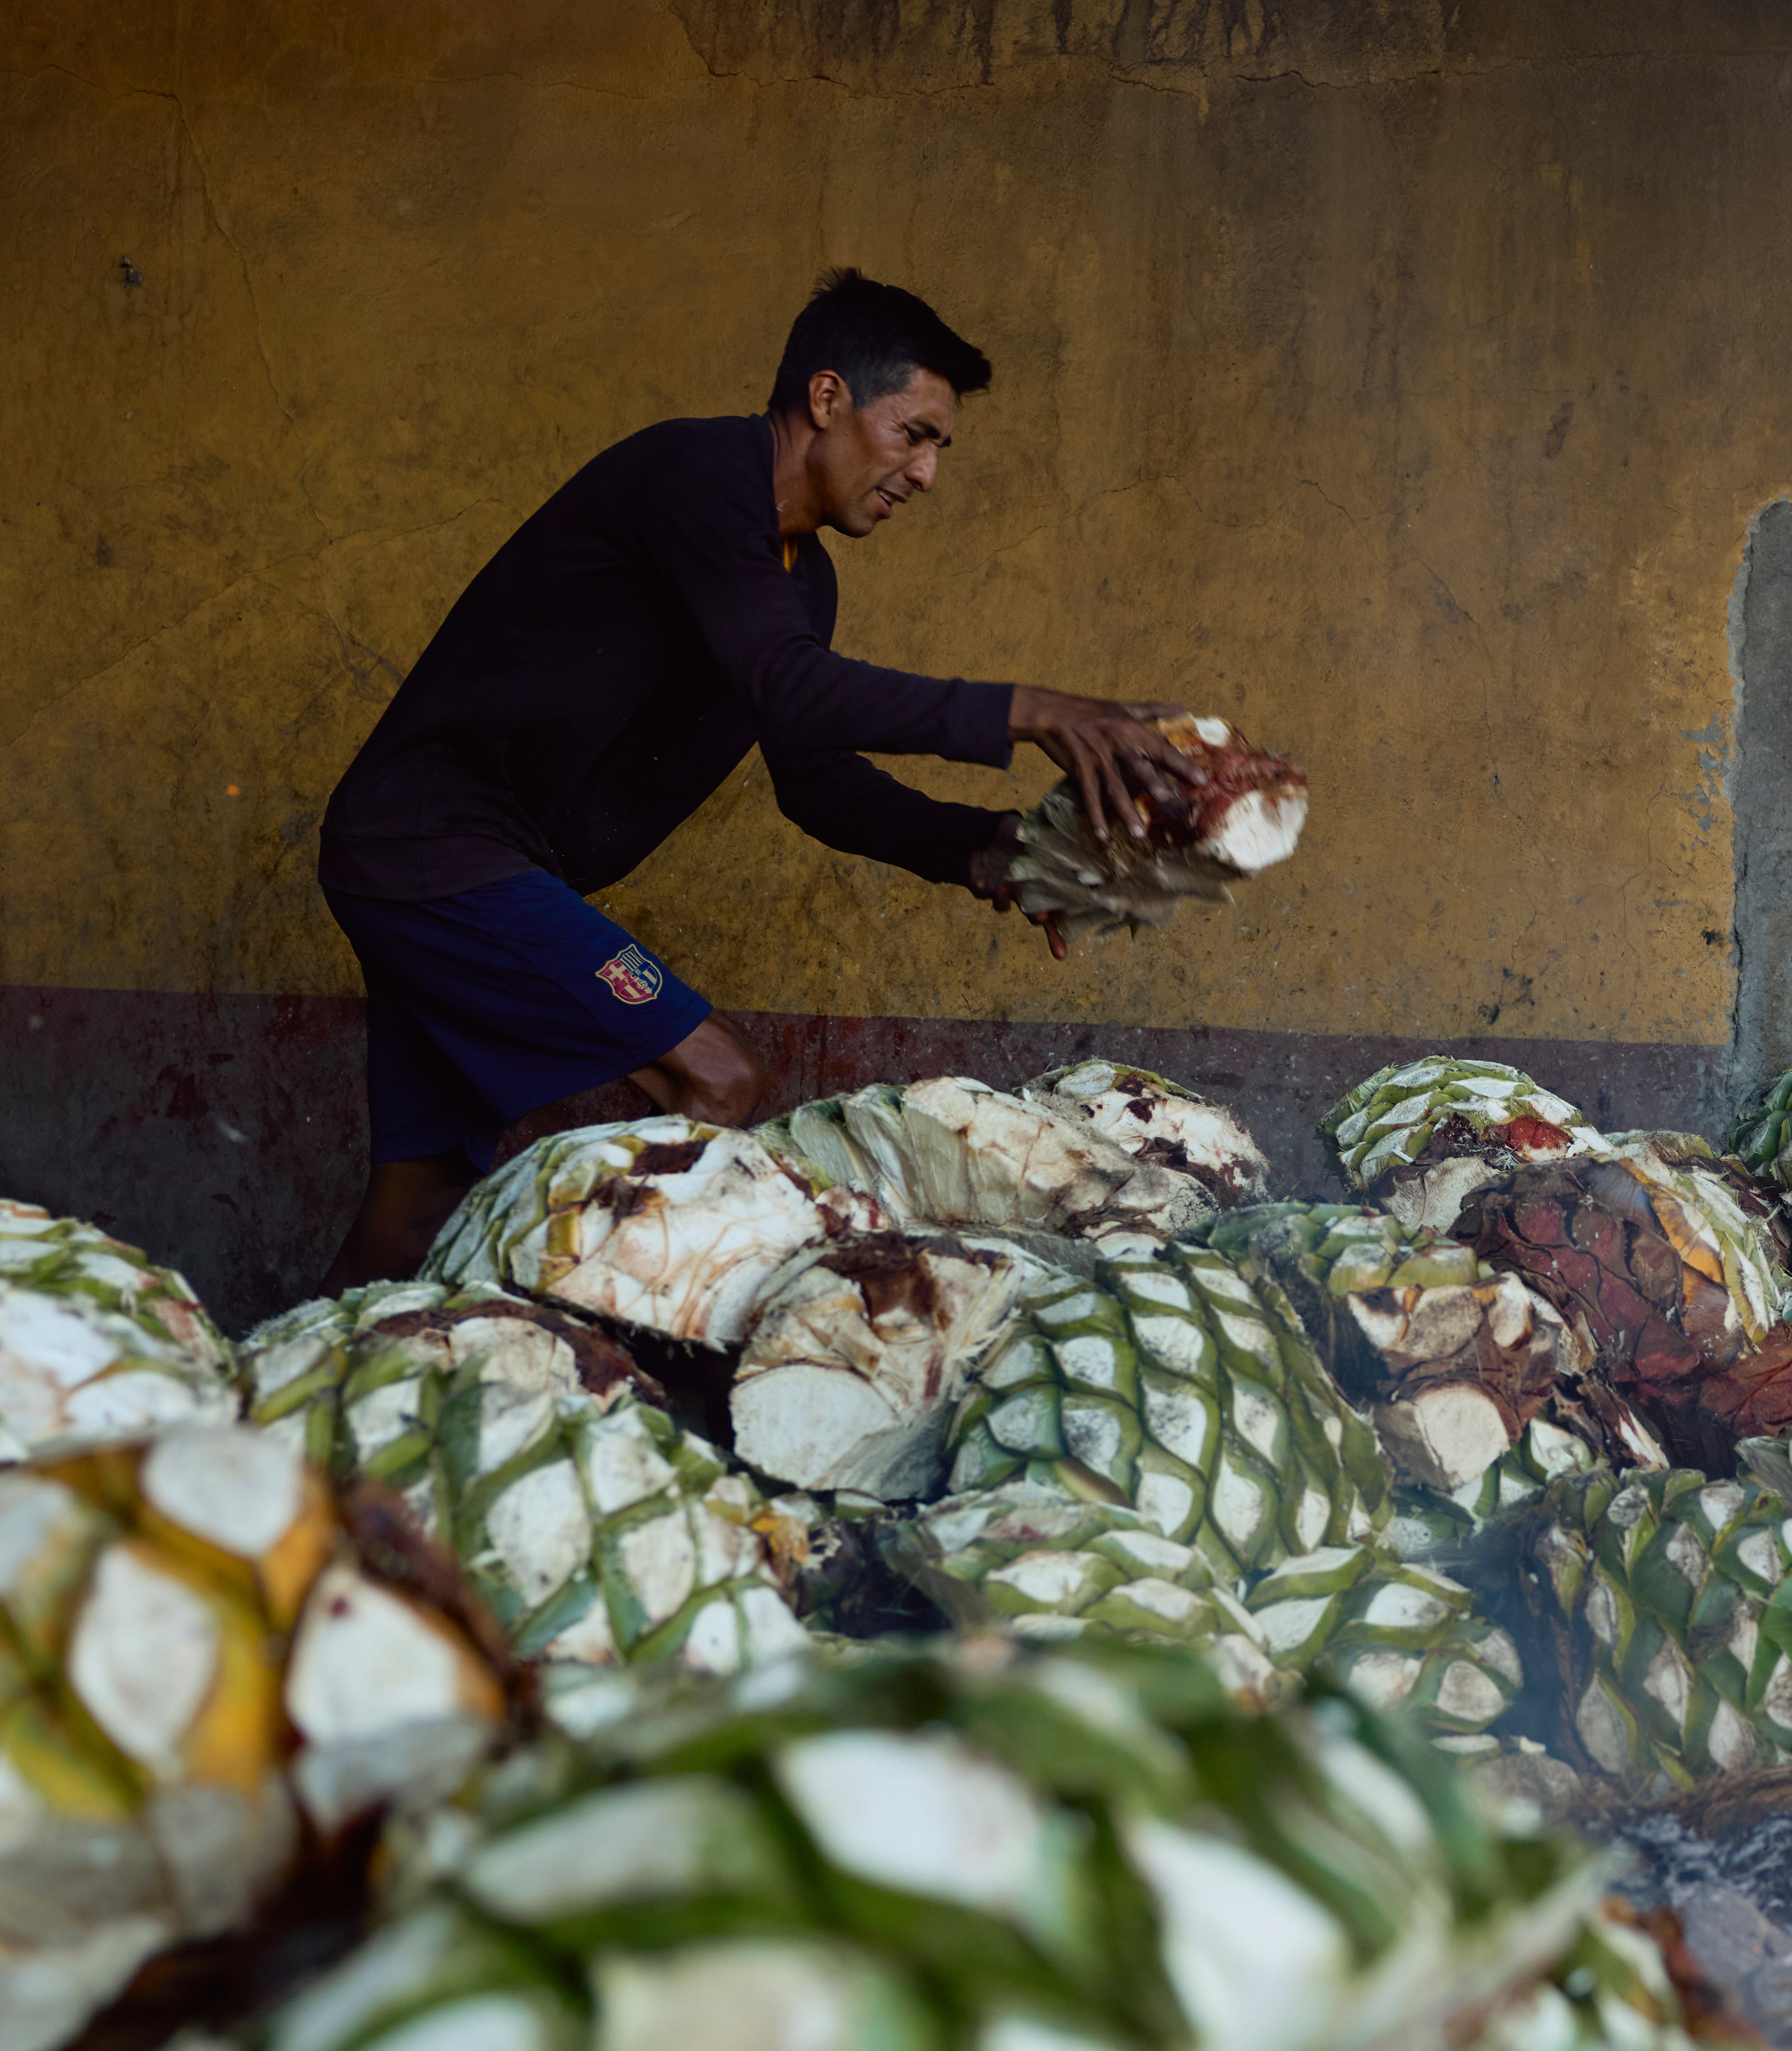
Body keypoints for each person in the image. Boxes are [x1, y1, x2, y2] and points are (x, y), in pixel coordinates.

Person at [309, 269, 1197, 1290]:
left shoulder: (798, 577)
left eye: (940, 448)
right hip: (434, 846)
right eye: (913, 433)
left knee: (417, 1195)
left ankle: (292, 1395)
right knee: (716, 1075)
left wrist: (993, 850)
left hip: (460, 864)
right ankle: (599, 1353)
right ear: (827, 399)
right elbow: (795, 687)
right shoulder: (695, 475)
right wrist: (1031, 710)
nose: (926, 473)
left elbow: (816, 780)